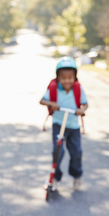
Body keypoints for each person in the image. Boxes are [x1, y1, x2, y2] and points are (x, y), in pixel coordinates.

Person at [39, 57, 88, 191]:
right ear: (58, 78)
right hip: (58, 125)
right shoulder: (54, 89)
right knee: (57, 152)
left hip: (73, 126)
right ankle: (54, 178)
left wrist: (81, 110)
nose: (67, 80)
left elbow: (85, 103)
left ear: (75, 77)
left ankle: (77, 176)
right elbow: (42, 101)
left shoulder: (78, 89)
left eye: (70, 77)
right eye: (63, 77)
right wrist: (51, 104)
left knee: (76, 152)